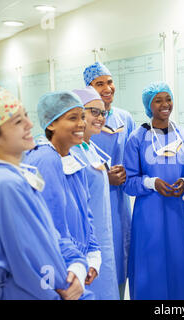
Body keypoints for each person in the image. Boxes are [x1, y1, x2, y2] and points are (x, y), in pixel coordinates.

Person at [0, 85, 93, 300]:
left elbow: (50, 235)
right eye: (18, 122)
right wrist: (64, 290)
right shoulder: (3, 185)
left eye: (26, 116)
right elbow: (29, 266)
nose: (30, 124)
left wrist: (77, 265)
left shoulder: (16, 175)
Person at [23, 91, 101, 291]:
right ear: (51, 124)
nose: (81, 124)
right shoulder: (45, 160)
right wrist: (74, 264)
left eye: (82, 117)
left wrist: (92, 255)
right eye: (72, 118)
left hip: (75, 262)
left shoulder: (73, 158)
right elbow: (51, 227)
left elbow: (86, 213)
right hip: (58, 266)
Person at [123, 81, 184, 300]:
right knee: (150, 267)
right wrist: (152, 183)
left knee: (179, 264)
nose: (165, 104)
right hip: (149, 216)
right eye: (158, 100)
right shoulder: (137, 138)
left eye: (168, 99)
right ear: (148, 105)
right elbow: (129, 182)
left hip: (178, 213)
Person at [84, 62, 136, 296]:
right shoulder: (84, 123)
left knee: (121, 253)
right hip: (94, 201)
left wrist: (128, 173)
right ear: (89, 89)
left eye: (109, 81)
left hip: (120, 203)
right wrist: (106, 178)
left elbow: (134, 157)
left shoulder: (125, 118)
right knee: (102, 256)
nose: (107, 88)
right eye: (99, 83)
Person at [70, 86, 120, 300]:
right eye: (94, 112)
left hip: (102, 241)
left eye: (103, 113)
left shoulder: (89, 149)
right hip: (85, 243)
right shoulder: (71, 153)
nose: (101, 118)